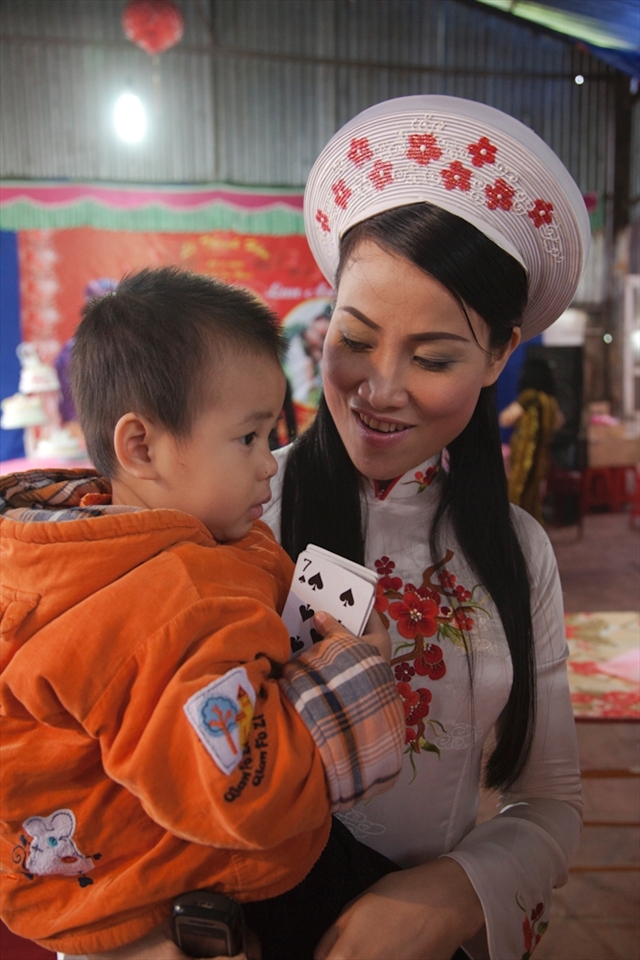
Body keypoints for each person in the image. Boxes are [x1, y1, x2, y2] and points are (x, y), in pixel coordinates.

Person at [259, 96, 587, 960]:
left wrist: (452, 893)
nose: (380, 388)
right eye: (355, 338)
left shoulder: (517, 552)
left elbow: (549, 805)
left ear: (500, 354)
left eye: (435, 357)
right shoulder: (242, 508)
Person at [0, 267, 405, 960]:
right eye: (248, 438)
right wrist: (355, 671)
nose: (269, 465)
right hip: (159, 906)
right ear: (141, 446)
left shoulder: (82, 544)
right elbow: (246, 791)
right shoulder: (165, 600)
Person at [500, 356, 564, 522]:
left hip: (525, 458)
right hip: (542, 459)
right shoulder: (550, 401)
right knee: (533, 500)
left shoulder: (530, 397)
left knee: (517, 497)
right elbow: (559, 422)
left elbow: (505, 419)